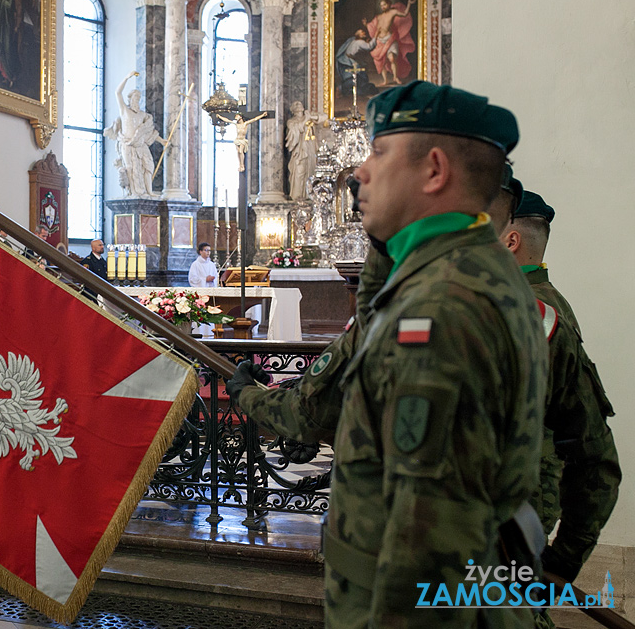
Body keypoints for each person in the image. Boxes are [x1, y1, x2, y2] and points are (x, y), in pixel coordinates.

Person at [226, 81, 547, 627]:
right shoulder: (464, 270)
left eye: (378, 152)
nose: (358, 172)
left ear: (435, 170)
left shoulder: (443, 306)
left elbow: (429, 537)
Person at [492, 187, 621, 585]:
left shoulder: (532, 313)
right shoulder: (542, 299)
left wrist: (562, 562)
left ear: (510, 240)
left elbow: (593, 455)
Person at [105, 71, 164, 198]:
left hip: (140, 145)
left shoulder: (143, 115)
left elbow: (148, 132)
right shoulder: (124, 110)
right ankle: (133, 193)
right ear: (130, 99)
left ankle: (149, 192)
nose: (137, 100)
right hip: (127, 143)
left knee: (148, 166)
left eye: (139, 98)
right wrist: (127, 77)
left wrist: (162, 141)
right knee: (130, 168)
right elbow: (117, 93)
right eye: (135, 98)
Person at [362, 0, 416, 86]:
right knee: (381, 61)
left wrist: (409, 3)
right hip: (380, 40)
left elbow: (405, 14)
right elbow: (376, 28)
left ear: (389, 4)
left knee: (391, 58)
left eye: (384, 4)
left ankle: (395, 77)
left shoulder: (392, 12)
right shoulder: (378, 17)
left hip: (390, 38)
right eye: (381, 5)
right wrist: (367, 26)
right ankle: (385, 80)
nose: (383, 7)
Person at [285, 101, 317, 200]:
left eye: (300, 103)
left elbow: (324, 117)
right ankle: (297, 197)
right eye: (296, 104)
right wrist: (306, 119)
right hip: (299, 151)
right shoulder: (291, 121)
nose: (299, 105)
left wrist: (311, 117)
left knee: (310, 171)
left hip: (310, 149)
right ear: (293, 110)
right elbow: (297, 129)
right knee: (299, 172)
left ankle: (309, 195)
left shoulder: (308, 116)